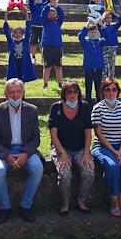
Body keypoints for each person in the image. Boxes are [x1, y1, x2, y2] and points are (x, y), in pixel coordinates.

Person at [0, 78, 44, 224]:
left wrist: (26, 153)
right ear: (5, 94)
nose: (15, 95)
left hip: (26, 150)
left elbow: (35, 138)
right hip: (3, 151)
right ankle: (4, 208)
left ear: (23, 93)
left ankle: (25, 207)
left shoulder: (32, 110)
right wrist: (6, 155)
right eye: (11, 92)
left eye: (18, 91)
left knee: (37, 168)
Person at [90, 79, 121, 217]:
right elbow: (98, 133)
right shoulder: (97, 108)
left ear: (118, 91)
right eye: (108, 89)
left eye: (114, 89)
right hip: (102, 146)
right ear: (103, 92)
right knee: (112, 167)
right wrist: (114, 151)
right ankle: (114, 201)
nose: (111, 92)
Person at [49, 81, 95, 216]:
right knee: (65, 174)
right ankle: (65, 203)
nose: (72, 94)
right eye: (69, 92)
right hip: (61, 147)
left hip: (80, 148)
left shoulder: (85, 106)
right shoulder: (56, 107)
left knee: (89, 172)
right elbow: (53, 135)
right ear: (64, 94)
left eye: (75, 91)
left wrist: (86, 153)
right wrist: (62, 154)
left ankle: (81, 199)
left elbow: (88, 132)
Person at [78, 16, 110, 104]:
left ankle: (98, 103)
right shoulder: (86, 42)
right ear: (88, 33)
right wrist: (87, 25)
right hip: (88, 68)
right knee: (88, 87)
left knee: (98, 87)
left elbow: (108, 37)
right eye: (91, 32)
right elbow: (80, 36)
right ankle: (88, 104)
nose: (93, 34)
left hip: (98, 67)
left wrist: (102, 26)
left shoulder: (100, 42)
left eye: (94, 32)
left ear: (97, 32)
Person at [3, 8, 36, 83]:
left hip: (23, 63)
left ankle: (22, 90)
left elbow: (28, 29)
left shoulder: (25, 41)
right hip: (14, 64)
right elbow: (6, 31)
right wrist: (6, 16)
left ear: (22, 34)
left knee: (22, 82)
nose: (17, 34)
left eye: (19, 33)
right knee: (15, 81)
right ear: (12, 34)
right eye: (15, 32)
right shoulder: (11, 42)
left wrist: (26, 15)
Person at [41, 0, 64, 91]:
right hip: (47, 47)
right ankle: (45, 84)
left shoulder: (58, 22)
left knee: (58, 67)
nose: (51, 16)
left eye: (53, 14)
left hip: (57, 47)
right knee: (47, 67)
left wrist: (56, 5)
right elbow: (43, 13)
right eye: (49, 14)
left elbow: (62, 14)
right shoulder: (45, 22)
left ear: (56, 14)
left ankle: (60, 84)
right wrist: (50, 4)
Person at [28, 0, 49, 65]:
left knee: (42, 44)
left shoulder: (44, 5)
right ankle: (33, 58)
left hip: (43, 27)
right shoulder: (33, 6)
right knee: (33, 44)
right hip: (34, 27)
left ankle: (43, 58)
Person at [102, 11, 121, 80]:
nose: (109, 20)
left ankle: (111, 81)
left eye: (110, 18)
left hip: (113, 48)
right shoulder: (102, 27)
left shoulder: (113, 26)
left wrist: (114, 13)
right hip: (104, 48)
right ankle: (103, 81)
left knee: (112, 66)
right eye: (107, 18)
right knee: (104, 67)